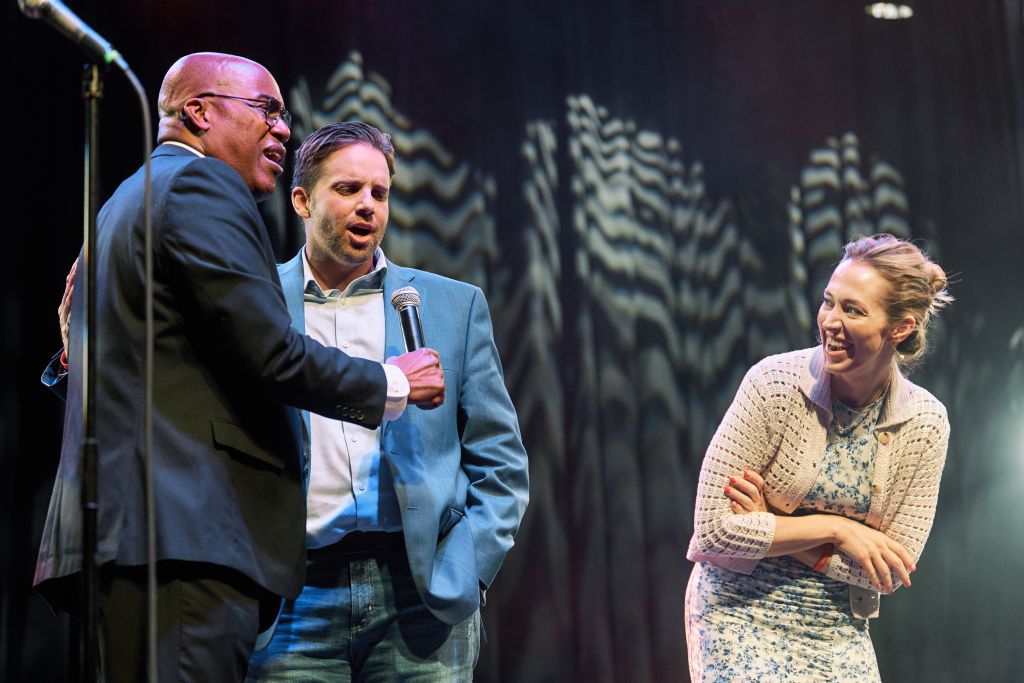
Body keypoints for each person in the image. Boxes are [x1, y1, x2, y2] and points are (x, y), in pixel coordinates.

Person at [36, 53, 445, 682]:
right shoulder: (201, 187)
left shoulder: (126, 198)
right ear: (199, 112)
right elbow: (270, 353)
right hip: (184, 540)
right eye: (266, 110)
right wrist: (394, 382)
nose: (282, 129)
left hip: (132, 542)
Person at [240, 121, 529, 681]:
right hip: (293, 599)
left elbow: (502, 461)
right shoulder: (257, 303)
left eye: (379, 192)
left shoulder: (452, 305)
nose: (367, 205)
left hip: (420, 596)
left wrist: (466, 568)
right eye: (347, 189)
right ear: (301, 201)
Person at [684, 234, 953, 681]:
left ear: (900, 328)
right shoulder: (773, 385)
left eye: (853, 310)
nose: (831, 321)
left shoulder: (925, 423)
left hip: (837, 625)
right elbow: (714, 532)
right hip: (736, 608)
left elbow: (887, 571)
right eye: (829, 302)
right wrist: (839, 530)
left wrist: (770, 518)